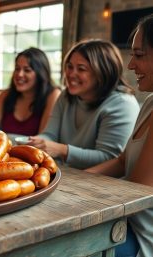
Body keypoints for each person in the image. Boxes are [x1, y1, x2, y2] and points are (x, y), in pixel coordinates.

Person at [86, 14, 153, 257]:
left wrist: (83, 194)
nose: (130, 64)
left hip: (142, 236)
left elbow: (136, 192)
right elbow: (122, 161)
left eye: (139, 55)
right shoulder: (149, 103)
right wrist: (78, 181)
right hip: (126, 223)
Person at [28, 39, 140, 169]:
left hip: (103, 183)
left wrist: (63, 150)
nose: (71, 74)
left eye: (81, 69)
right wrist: (35, 142)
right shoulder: (65, 96)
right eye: (69, 66)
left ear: (102, 72)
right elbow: (50, 135)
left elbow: (110, 158)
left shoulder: (122, 104)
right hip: (68, 174)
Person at [0, 47, 61, 136]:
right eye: (17, 69)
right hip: (6, 149)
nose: (20, 74)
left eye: (27, 70)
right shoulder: (5, 95)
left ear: (40, 73)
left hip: (36, 150)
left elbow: (43, 139)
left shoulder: (53, 95)